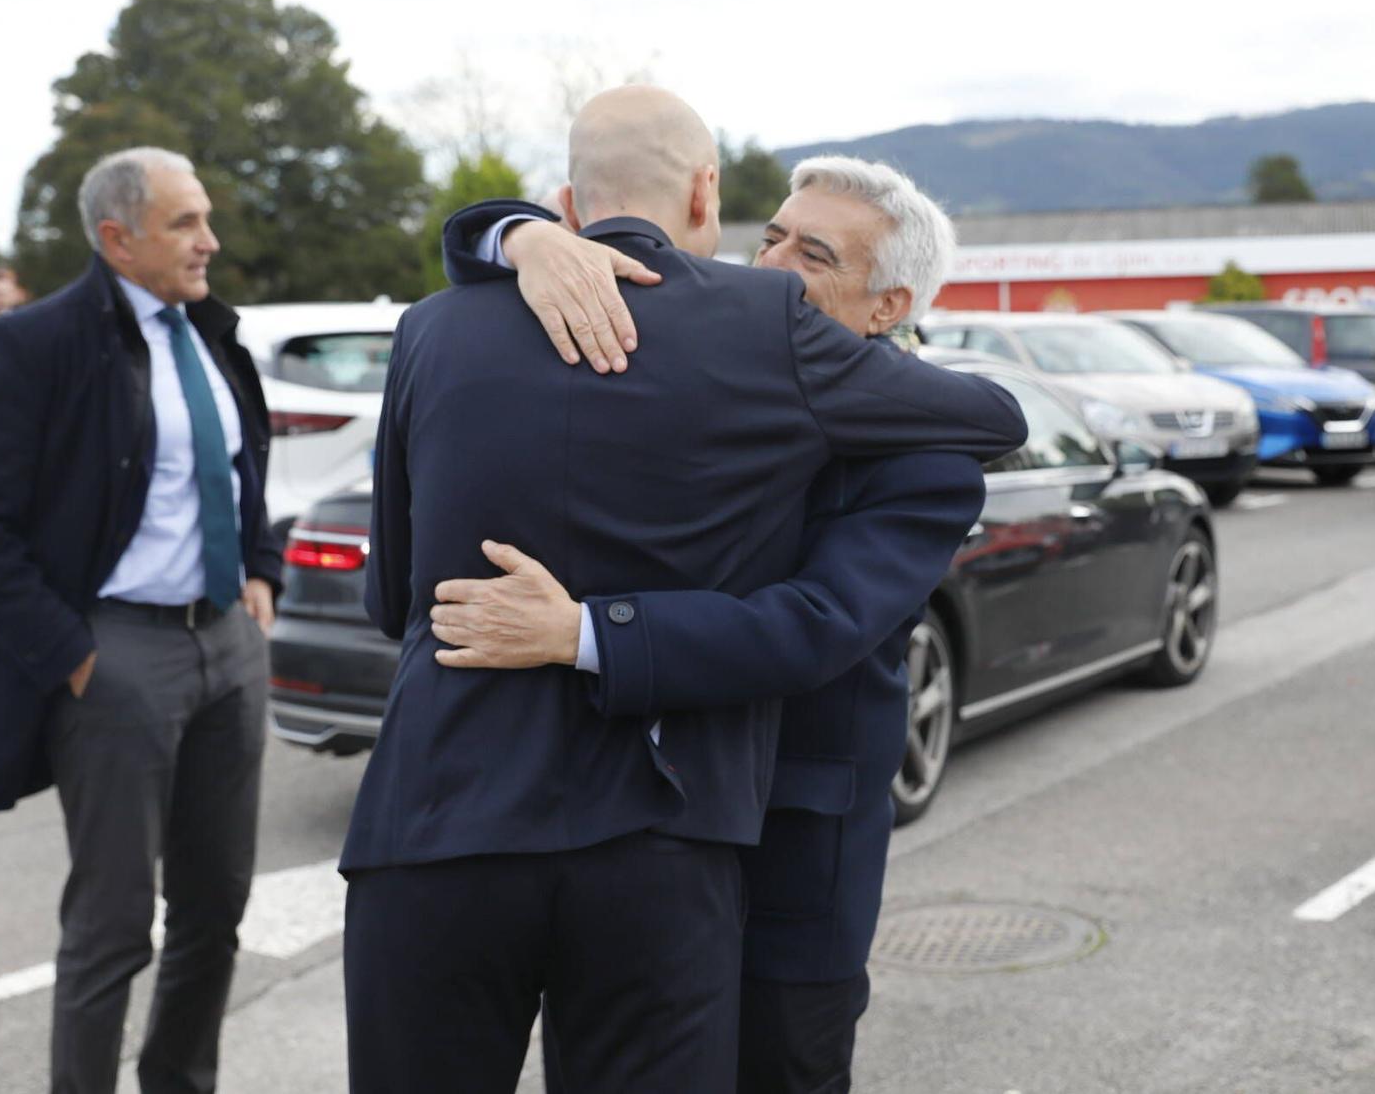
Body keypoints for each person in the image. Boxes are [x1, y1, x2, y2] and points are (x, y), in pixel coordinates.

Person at [341, 88, 1026, 1094]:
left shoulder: (901, 443)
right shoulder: (738, 330)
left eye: (814, 258)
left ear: (891, 308)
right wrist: (517, 237)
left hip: (775, 867)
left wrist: (582, 630)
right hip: (646, 841)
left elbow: (817, 622)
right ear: (709, 195)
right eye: (775, 239)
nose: (776, 269)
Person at [0, 147, 282, 1094]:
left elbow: (240, 464)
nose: (209, 241)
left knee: (215, 911)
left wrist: (261, 569)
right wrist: (75, 656)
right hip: (116, 655)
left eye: (206, 218)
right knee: (113, 925)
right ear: (116, 238)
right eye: (184, 224)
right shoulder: (39, 342)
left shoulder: (210, 329)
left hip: (225, 646)